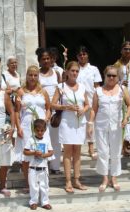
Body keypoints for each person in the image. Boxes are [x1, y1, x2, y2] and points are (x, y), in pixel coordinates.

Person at [88, 65, 130, 192]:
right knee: (103, 152)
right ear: (104, 76)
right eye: (109, 75)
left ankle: (114, 177)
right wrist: (90, 124)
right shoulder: (98, 91)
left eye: (114, 75)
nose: (111, 78)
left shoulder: (122, 89)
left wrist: (126, 118)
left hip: (117, 125)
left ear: (118, 77)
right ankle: (105, 178)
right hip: (101, 125)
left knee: (116, 152)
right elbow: (94, 109)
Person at [51, 61, 90, 193]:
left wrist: (83, 110)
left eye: (77, 71)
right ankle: (68, 181)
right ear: (67, 72)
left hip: (79, 122)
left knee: (77, 152)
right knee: (68, 152)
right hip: (67, 122)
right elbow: (52, 104)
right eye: (72, 70)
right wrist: (66, 107)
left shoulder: (82, 87)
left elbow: (87, 104)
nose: (74, 73)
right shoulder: (61, 87)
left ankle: (77, 179)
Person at [15, 65, 51, 192]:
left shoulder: (43, 92)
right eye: (30, 75)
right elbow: (16, 112)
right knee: (27, 155)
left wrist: (46, 120)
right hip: (26, 125)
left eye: (35, 75)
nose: (33, 77)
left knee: (42, 152)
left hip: (41, 127)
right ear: (27, 76)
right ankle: (29, 183)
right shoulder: (21, 92)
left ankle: (42, 182)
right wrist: (18, 127)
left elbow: (48, 108)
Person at [37, 48, 62, 175]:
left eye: (48, 58)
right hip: (41, 110)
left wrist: (59, 109)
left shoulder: (56, 73)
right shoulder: (36, 74)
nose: (46, 61)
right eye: (43, 59)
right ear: (39, 61)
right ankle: (42, 164)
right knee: (42, 138)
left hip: (55, 110)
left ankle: (55, 166)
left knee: (55, 140)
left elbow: (61, 91)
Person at [76, 46, 103, 161]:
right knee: (78, 124)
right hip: (77, 100)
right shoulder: (74, 68)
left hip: (91, 99)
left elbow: (97, 86)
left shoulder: (93, 69)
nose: (82, 56)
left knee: (90, 124)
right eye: (80, 55)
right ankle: (76, 148)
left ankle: (91, 148)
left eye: (84, 54)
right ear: (77, 56)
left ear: (87, 55)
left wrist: (100, 98)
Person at [24, 119, 54, 210]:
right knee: (33, 186)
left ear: (45, 130)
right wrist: (34, 153)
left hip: (43, 168)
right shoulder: (30, 140)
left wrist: (44, 155)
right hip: (33, 167)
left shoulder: (46, 140)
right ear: (34, 130)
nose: (40, 132)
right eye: (38, 130)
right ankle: (33, 202)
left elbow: (51, 152)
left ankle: (45, 202)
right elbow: (25, 151)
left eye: (42, 130)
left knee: (44, 186)